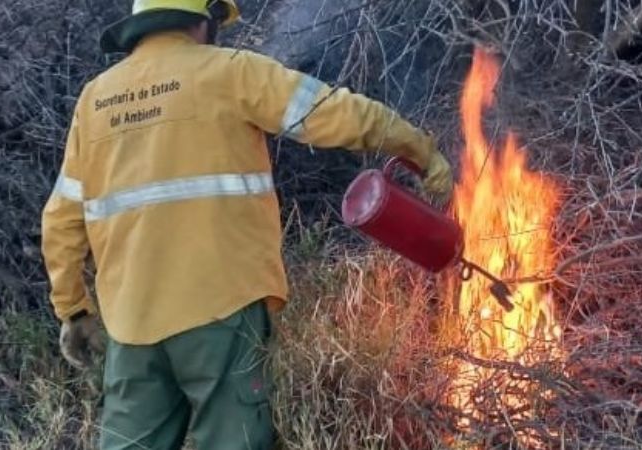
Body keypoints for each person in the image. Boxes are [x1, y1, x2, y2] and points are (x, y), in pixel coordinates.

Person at [40, 0, 453, 448]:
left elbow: (61, 218)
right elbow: (337, 114)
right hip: (221, 309)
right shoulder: (230, 72)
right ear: (203, 20)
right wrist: (419, 149)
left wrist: (73, 309)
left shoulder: (95, 99)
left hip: (132, 325)